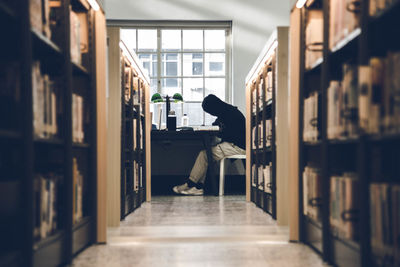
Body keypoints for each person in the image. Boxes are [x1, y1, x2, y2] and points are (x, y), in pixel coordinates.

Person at [173, 94, 246, 195]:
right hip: (234, 144)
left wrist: (220, 130)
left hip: (238, 146)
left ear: (214, 107)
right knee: (206, 155)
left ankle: (190, 185)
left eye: (210, 111)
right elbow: (215, 126)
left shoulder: (230, 113)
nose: (212, 114)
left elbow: (229, 132)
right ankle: (197, 187)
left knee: (205, 155)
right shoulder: (225, 111)